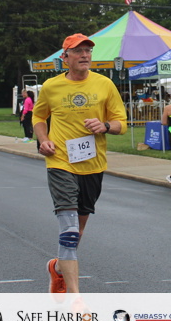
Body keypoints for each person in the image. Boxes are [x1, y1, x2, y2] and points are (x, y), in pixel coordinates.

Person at [32, 33, 127, 295]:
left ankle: (58, 268)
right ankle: (74, 297)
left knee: (79, 230)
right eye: (78, 51)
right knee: (70, 229)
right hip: (60, 161)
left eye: (88, 51)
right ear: (65, 57)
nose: (85, 55)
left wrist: (105, 125)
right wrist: (43, 140)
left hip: (92, 164)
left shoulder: (105, 84)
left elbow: (121, 123)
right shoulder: (51, 86)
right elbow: (38, 116)